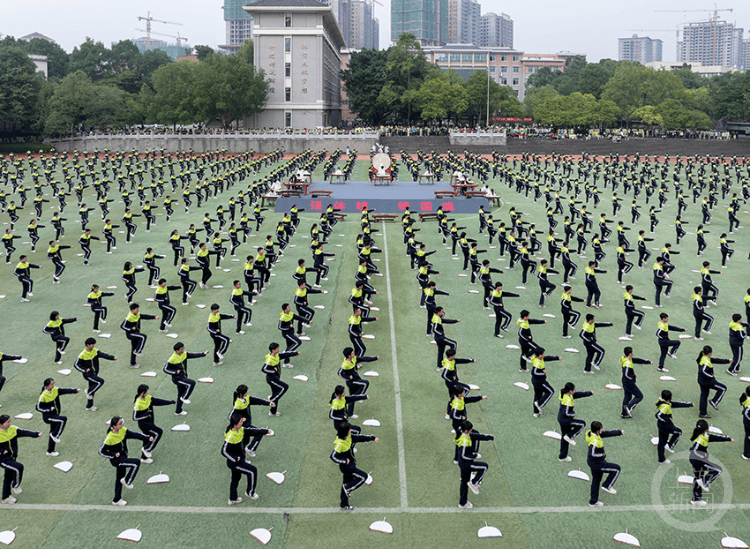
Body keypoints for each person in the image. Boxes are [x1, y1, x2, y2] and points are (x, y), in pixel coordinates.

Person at [98, 416, 152, 506]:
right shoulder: (110, 437)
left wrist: (147, 438)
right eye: (120, 423)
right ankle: (127, 481)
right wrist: (113, 455)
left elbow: (135, 435)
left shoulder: (123, 431)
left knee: (119, 478)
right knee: (136, 463)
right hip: (117, 460)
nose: (122, 424)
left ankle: (116, 499)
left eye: (122, 422)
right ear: (114, 426)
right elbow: (101, 452)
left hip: (123, 458)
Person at [330, 421, 378, 511]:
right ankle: (348, 488)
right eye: (349, 430)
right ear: (345, 432)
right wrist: (344, 461)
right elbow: (332, 456)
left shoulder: (348, 437)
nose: (351, 430)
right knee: (364, 477)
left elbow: (359, 438)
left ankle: (344, 504)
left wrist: (372, 438)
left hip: (351, 464)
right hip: (348, 468)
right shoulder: (340, 444)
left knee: (346, 483)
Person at [688, 419, 733, 507]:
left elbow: (713, 437)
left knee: (698, 478)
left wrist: (728, 438)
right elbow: (693, 451)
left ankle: (696, 499)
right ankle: (705, 482)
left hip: (697, 460)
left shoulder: (703, 435)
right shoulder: (700, 439)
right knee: (718, 469)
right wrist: (703, 456)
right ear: (706, 429)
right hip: (698, 461)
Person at [0, 414, 41, 504]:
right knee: (19, 467)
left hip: (12, 458)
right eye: (7, 422)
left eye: (10, 421)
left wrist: (36, 434)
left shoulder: (13, 429)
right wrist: (1, 451)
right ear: (1, 424)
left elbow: (24, 432)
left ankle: (5, 497)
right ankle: (15, 485)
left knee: (8, 476)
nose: (9, 423)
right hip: (2, 460)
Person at [36, 378, 80, 456]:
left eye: (53, 383)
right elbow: (38, 408)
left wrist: (75, 391)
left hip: (55, 416)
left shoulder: (55, 390)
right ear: (47, 386)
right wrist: (48, 409)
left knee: (52, 431)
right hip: (48, 417)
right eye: (51, 384)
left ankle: (50, 451)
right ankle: (55, 435)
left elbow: (65, 390)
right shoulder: (43, 396)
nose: (53, 385)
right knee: (63, 419)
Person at [163, 342, 209, 416]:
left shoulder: (184, 354)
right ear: (177, 351)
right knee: (192, 383)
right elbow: (165, 369)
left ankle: (178, 411)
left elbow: (192, 355)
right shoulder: (172, 359)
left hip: (183, 377)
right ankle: (185, 397)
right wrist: (175, 372)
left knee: (180, 394)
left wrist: (203, 353)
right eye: (181, 349)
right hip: (177, 379)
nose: (183, 350)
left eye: (183, 348)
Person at [456, 419, 494, 509]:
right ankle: (474, 483)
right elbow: (463, 455)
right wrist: (474, 455)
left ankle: (463, 503)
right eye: (470, 430)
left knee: (464, 483)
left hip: (463, 464)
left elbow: (477, 436)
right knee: (484, 467)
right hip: (466, 464)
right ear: (466, 431)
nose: (471, 432)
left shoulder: (463, 434)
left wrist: (489, 437)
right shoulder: (464, 440)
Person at [222, 414, 260, 505]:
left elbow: (252, 430)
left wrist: (265, 431)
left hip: (238, 460)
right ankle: (249, 493)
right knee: (252, 471)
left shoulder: (240, 429)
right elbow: (223, 451)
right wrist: (235, 459)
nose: (242, 423)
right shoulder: (231, 436)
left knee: (236, 478)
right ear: (235, 424)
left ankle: (232, 498)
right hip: (235, 463)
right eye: (240, 422)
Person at [229, 385, 274, 458]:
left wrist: (268, 403)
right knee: (259, 433)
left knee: (244, 442)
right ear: (241, 394)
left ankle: (242, 459)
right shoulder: (238, 405)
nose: (247, 393)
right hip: (244, 427)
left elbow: (256, 400)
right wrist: (240, 420)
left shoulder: (246, 398)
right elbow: (230, 416)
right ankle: (250, 449)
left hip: (247, 424)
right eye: (246, 392)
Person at [133, 384, 175, 463]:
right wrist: (146, 414)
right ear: (142, 393)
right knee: (159, 432)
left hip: (150, 422)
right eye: (146, 391)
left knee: (147, 438)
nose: (148, 393)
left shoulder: (148, 398)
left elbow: (158, 401)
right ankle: (147, 449)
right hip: (144, 425)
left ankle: (144, 458)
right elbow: (134, 417)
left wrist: (170, 402)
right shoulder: (138, 403)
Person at [586, 421, 624, 507]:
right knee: (616, 469)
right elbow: (591, 454)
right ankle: (607, 485)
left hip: (593, 463)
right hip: (598, 464)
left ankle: (593, 501)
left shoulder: (592, 434)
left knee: (596, 481)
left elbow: (607, 433)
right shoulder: (594, 441)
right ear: (597, 431)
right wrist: (602, 455)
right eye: (601, 429)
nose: (602, 430)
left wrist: (619, 432)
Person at [74, 337, 117, 412]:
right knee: (100, 382)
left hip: (94, 373)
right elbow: (76, 365)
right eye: (92, 344)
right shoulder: (82, 354)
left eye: (94, 344)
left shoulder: (95, 351)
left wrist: (112, 357)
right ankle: (88, 391)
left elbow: (103, 355)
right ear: (88, 345)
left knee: (92, 389)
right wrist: (84, 370)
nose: (93, 345)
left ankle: (89, 406)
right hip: (88, 375)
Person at [655, 389, 693, 464]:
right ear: (670, 398)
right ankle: (670, 445)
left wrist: (689, 404)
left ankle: (661, 459)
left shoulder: (663, 402)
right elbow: (657, 415)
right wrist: (668, 420)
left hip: (661, 425)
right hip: (665, 426)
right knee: (679, 432)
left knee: (662, 442)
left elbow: (677, 404)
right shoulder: (665, 406)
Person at [557, 382, 593, 462]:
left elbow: (576, 394)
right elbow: (566, 413)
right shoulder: (567, 400)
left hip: (561, 418)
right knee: (582, 424)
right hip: (565, 420)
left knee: (564, 437)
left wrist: (588, 393)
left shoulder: (563, 392)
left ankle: (562, 456)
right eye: (573, 390)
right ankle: (570, 436)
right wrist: (573, 413)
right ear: (570, 391)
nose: (574, 391)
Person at [339, 347, 378, 418]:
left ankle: (349, 414)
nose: (354, 353)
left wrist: (375, 358)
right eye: (352, 353)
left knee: (352, 397)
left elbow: (365, 359)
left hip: (356, 379)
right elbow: (339, 373)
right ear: (348, 356)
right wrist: (348, 377)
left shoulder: (354, 358)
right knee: (366, 383)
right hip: (352, 382)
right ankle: (359, 396)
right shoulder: (345, 364)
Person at [262, 342, 299, 416]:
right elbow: (263, 369)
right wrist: (273, 371)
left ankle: (272, 412)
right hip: (272, 379)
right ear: (273, 350)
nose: (278, 349)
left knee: (276, 394)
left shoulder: (277, 355)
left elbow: (286, 354)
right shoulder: (269, 359)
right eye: (277, 348)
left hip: (275, 378)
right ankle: (272, 399)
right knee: (284, 387)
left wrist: (296, 353)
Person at [120, 303, 158, 369]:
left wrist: (154, 317)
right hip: (130, 334)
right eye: (136, 309)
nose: (137, 310)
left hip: (136, 333)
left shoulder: (137, 315)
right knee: (143, 337)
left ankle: (132, 363)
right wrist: (130, 329)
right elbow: (122, 326)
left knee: (134, 348)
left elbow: (145, 316)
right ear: (132, 310)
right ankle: (138, 351)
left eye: (138, 309)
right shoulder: (129, 317)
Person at [696, 345, 730, 418]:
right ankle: (714, 401)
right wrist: (711, 376)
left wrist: (727, 361)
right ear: (710, 353)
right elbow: (702, 371)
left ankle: (703, 413)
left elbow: (715, 360)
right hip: (707, 381)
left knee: (704, 396)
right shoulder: (706, 361)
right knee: (723, 388)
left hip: (701, 380)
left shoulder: (703, 357)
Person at [620, 347, 651, 418]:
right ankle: (628, 409)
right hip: (628, 382)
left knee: (627, 396)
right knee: (639, 396)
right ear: (630, 354)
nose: (633, 353)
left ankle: (624, 413)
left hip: (625, 381)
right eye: (632, 352)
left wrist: (647, 362)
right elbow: (626, 374)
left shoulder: (624, 358)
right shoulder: (627, 363)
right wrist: (633, 376)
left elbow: (636, 360)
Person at [531, 347, 561, 417]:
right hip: (539, 381)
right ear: (539, 355)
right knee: (550, 391)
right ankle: (540, 404)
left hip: (535, 380)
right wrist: (543, 373)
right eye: (543, 354)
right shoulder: (537, 363)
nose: (544, 355)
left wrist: (556, 358)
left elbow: (546, 358)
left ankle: (536, 412)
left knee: (538, 395)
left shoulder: (535, 357)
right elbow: (534, 372)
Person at [433, 307, 460, 371]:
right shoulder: (436, 319)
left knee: (441, 351)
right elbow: (434, 329)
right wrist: (441, 333)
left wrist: (455, 321)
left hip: (438, 338)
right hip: (440, 338)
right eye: (441, 312)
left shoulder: (437, 317)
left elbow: (445, 321)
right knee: (454, 343)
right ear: (438, 312)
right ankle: (450, 358)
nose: (442, 313)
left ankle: (439, 366)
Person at [739, 388, 750, 460]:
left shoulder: (745, 398)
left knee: (748, 436)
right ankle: (746, 454)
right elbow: (745, 412)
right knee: (748, 437)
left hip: (747, 421)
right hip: (748, 422)